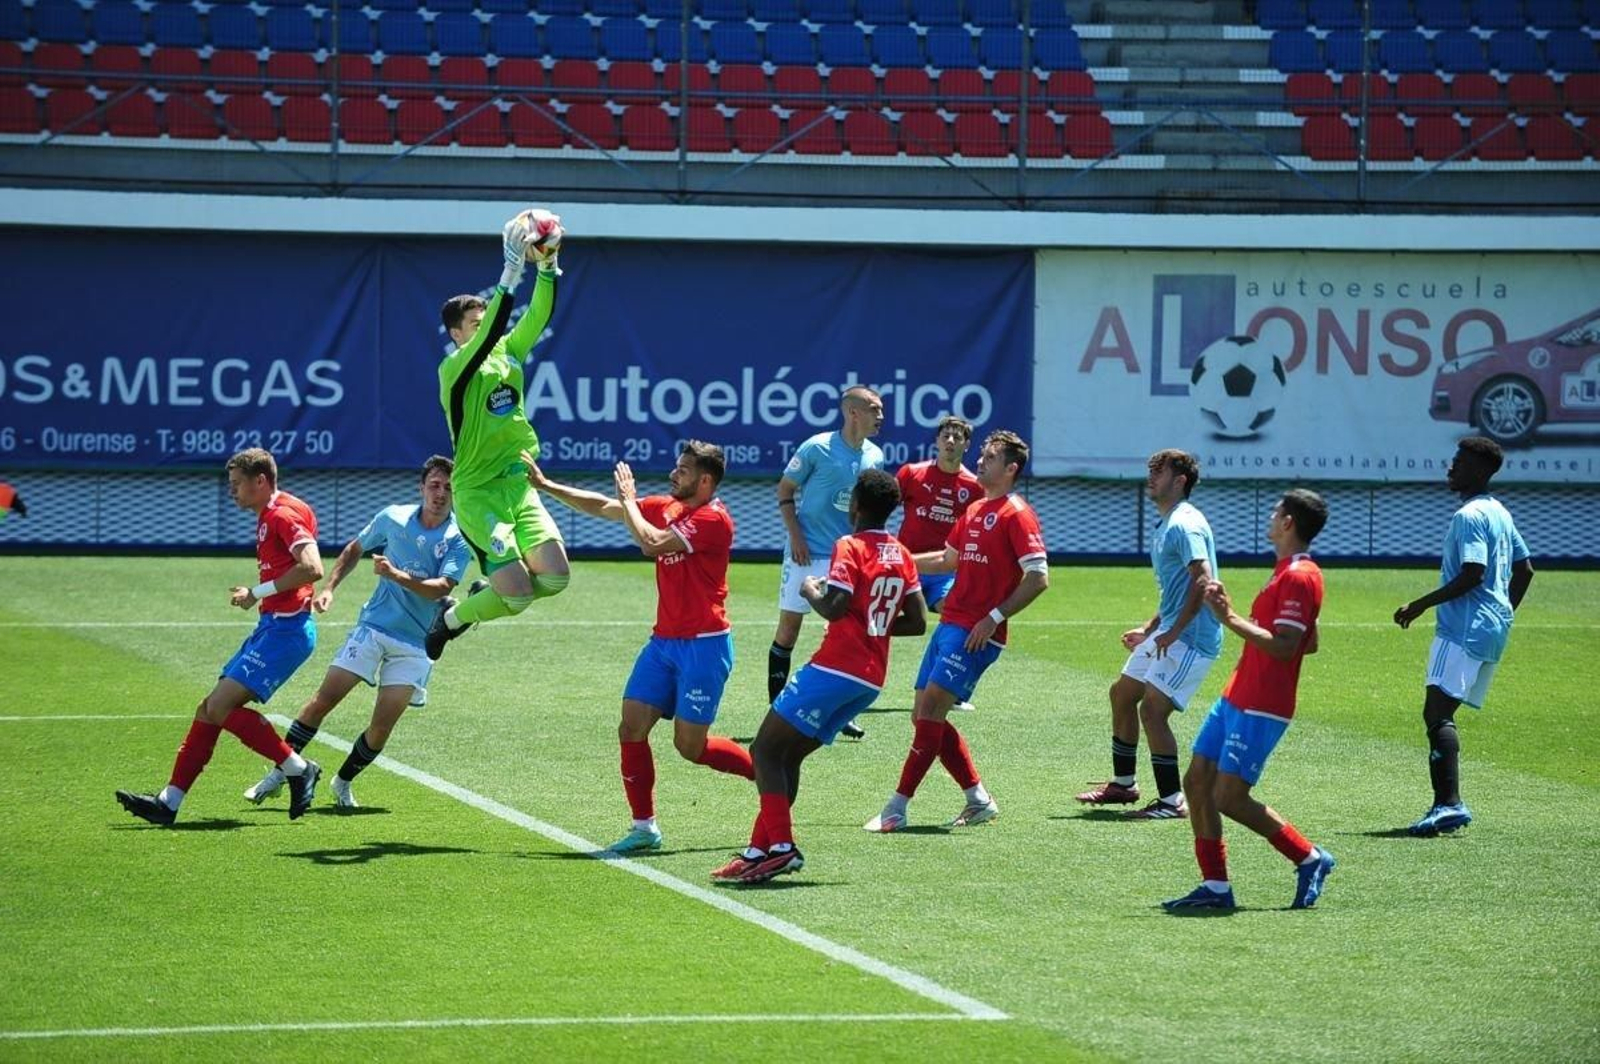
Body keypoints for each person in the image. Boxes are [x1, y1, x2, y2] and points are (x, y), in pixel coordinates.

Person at [526, 442, 754, 854]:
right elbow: (603, 507)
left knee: (690, 747)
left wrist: (629, 500)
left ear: (705, 481)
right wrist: (547, 486)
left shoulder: (713, 519)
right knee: (630, 726)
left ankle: (767, 774)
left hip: (705, 647)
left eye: (683, 470)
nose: (673, 474)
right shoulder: (668, 505)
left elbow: (650, 542)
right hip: (664, 643)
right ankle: (644, 827)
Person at [715, 470, 927, 884]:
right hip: (869, 680)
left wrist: (811, 588)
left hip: (834, 667)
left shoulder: (849, 545)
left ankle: (781, 847)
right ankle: (759, 851)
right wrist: (873, 626)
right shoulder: (901, 554)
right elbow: (918, 621)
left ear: (855, 507)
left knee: (763, 751)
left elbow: (833, 606)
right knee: (786, 757)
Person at [243, 455, 478, 809]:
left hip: (416, 644)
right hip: (373, 627)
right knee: (323, 700)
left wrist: (396, 575)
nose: (441, 493)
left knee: (381, 727)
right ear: (421, 488)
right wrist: (330, 588)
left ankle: (342, 781)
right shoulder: (393, 517)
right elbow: (355, 548)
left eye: (448, 487)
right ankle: (280, 774)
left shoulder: (458, 539)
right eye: (434, 485)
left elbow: (440, 587)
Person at [116, 448, 324, 825]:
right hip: (273, 627)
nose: (232, 493)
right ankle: (170, 801)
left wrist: (257, 593)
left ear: (260, 481)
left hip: (287, 630)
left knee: (221, 707)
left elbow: (312, 568)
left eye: (236, 485)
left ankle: (297, 767)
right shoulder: (279, 510)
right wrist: (259, 596)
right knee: (208, 708)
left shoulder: (282, 513)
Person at [863, 430, 1049, 833]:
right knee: (924, 716)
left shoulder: (1017, 513)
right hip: (951, 625)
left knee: (929, 713)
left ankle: (896, 808)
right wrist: (899, 558)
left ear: (1011, 468)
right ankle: (977, 799)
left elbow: (1038, 577)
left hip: (976, 632)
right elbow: (948, 560)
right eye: (981, 454)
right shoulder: (977, 508)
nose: (980, 461)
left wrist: (994, 618)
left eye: (991, 457)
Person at [1163, 489, 1335, 912]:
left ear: (1289, 523)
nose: (1271, 517)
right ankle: (1215, 887)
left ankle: (1309, 857)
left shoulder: (1298, 576)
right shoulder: (1286, 572)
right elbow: (1308, 642)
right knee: (1197, 782)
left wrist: (1229, 617)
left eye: (1277, 512)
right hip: (1238, 694)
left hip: (1263, 703)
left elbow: (1286, 646)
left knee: (1229, 797)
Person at [424, 211, 571, 662]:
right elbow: (491, 335)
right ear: (455, 335)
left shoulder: (508, 352)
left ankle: (481, 596)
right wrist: (511, 272)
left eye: (485, 319)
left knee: (555, 579)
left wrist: (547, 267)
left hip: (518, 484)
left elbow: (536, 316)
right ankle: (451, 618)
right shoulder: (454, 369)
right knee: (520, 596)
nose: (485, 326)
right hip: (479, 493)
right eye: (474, 323)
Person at [1393, 436, 1534, 837]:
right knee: (1442, 711)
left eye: (1458, 461)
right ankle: (1447, 803)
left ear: (1478, 469)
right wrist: (1503, 611)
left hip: (1463, 627)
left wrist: (1420, 604)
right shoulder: (1500, 512)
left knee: (1436, 712)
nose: (1450, 467)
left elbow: (1472, 573)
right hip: (1491, 625)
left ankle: (1448, 804)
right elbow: (1525, 570)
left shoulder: (1469, 516)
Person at [1077, 449, 1222, 820]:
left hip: (1193, 639)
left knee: (1153, 711)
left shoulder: (1184, 523)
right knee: (1122, 693)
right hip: (1171, 634)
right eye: (1150, 469)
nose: (1151, 476)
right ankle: (1124, 785)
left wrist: (1172, 632)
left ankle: (1172, 802)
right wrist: (1150, 628)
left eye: (1160, 471)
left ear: (1181, 481)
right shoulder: (1168, 522)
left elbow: (1202, 581)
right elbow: (1176, 590)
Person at [769, 385, 886, 740]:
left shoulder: (876, 456)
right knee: (789, 630)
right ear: (853, 412)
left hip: (845, 558)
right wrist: (796, 537)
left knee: (843, 634)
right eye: (874, 409)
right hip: (805, 553)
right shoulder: (816, 447)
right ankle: (777, 709)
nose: (881, 417)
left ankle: (838, 713)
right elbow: (785, 490)